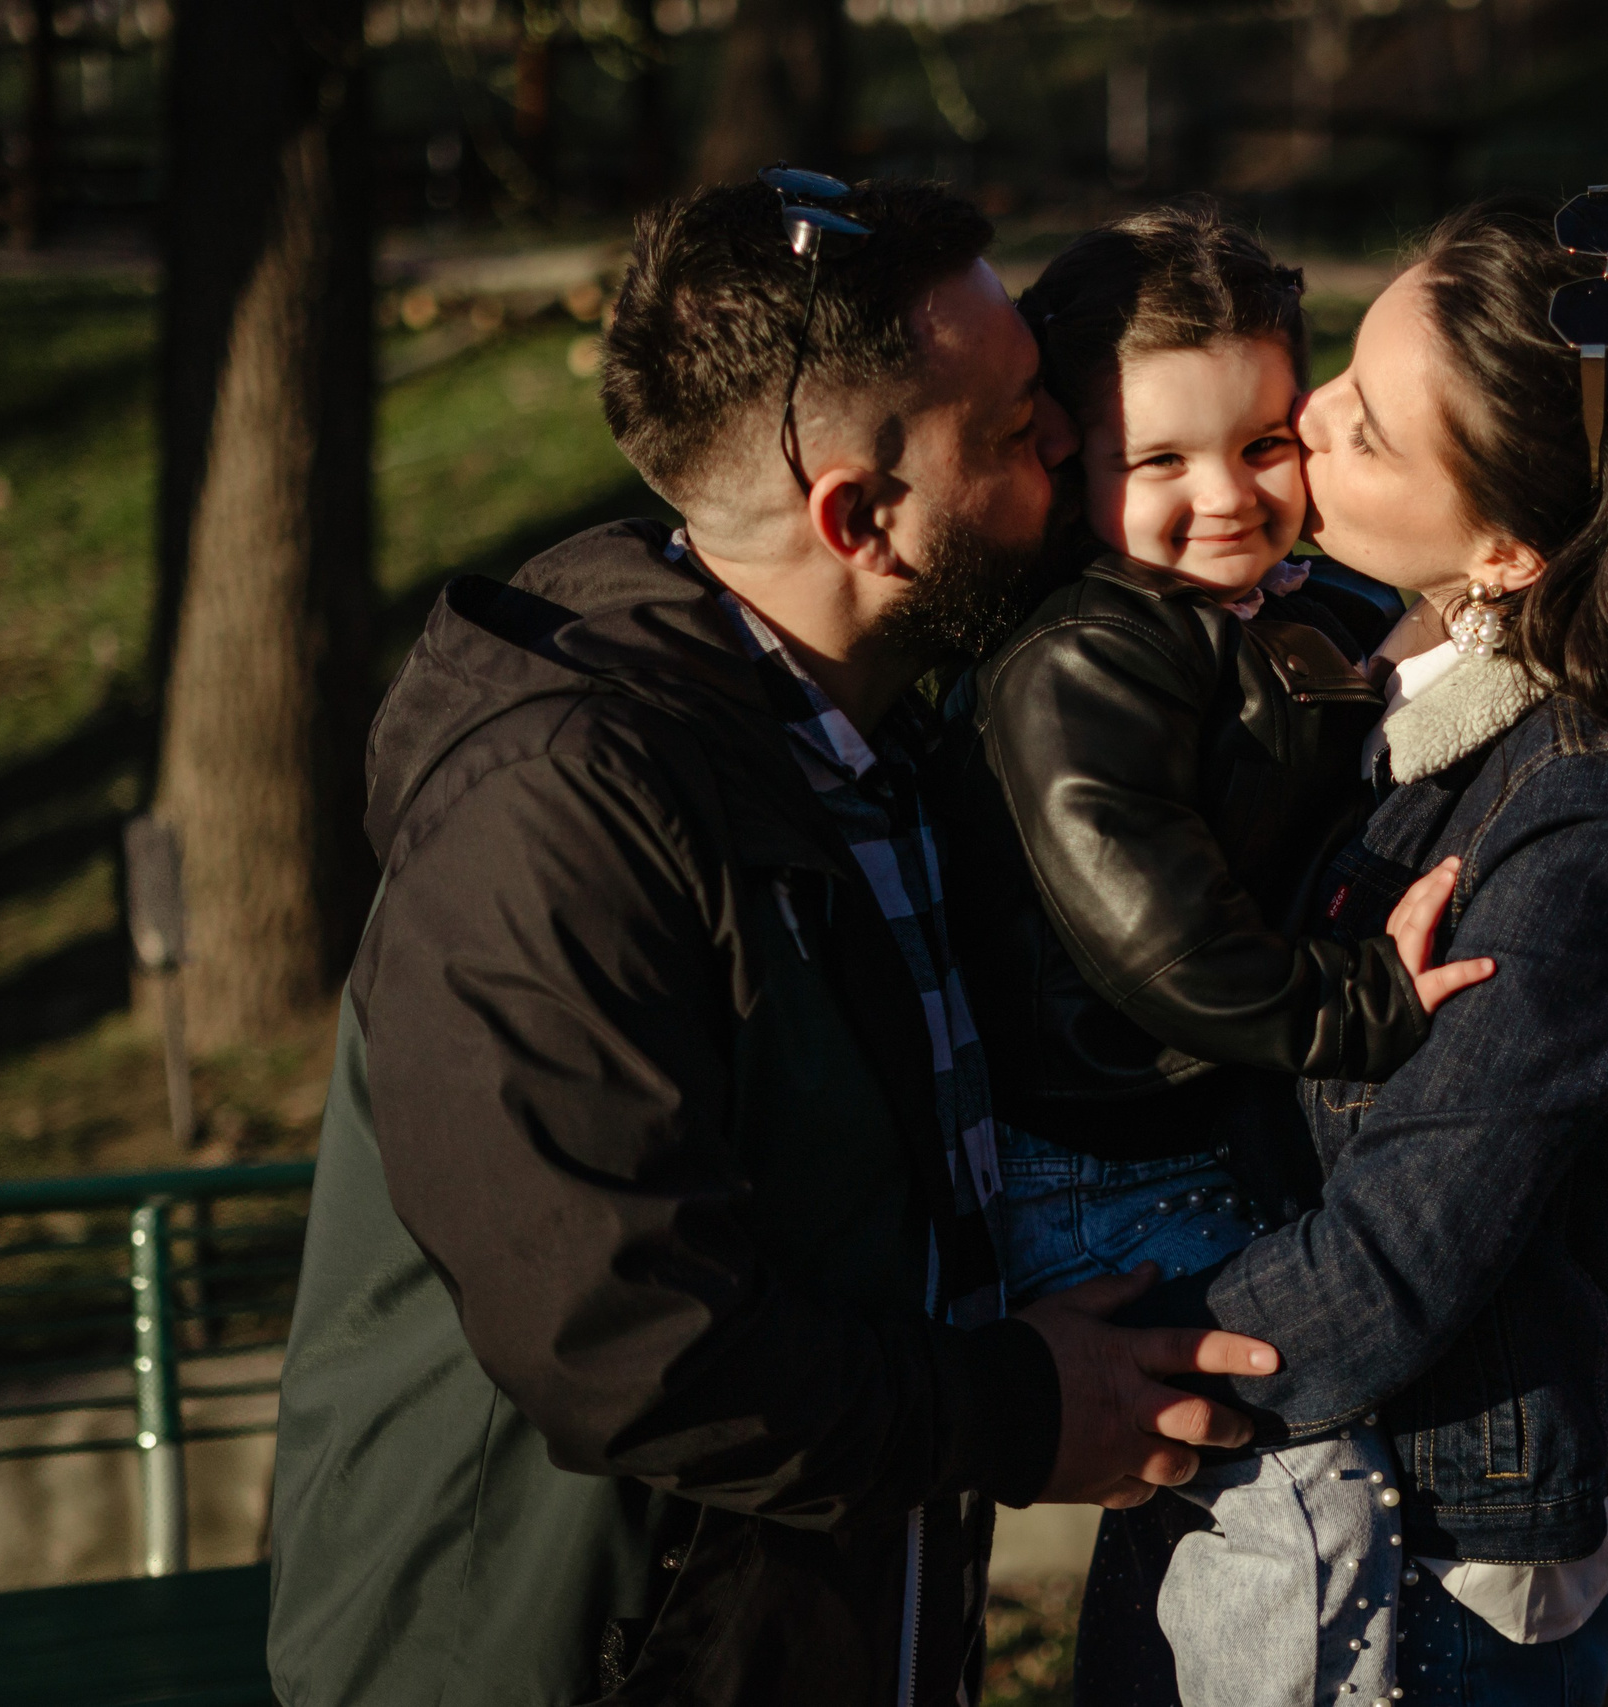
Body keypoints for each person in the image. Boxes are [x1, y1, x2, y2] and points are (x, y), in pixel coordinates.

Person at [265, 176, 1278, 1707]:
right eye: (1014, 430)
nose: (1071, 445)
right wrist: (1011, 1408)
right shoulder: (557, 819)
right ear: (861, 519)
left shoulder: (878, 742)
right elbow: (630, 1339)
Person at [1090, 195, 1608, 1707]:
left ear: (1514, 550)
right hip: (1279, 1500)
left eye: (1371, 435)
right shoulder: (1378, 672)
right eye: (1345, 369)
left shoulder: (1598, 831)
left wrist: (1104, 1384)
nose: (1305, 415)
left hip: (1416, 1580)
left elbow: (1397, 1262)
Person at [936, 204, 1495, 1707]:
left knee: (1255, 1496)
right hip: (1103, 1164)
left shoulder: (1287, 612)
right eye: (1159, 464)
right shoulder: (1086, 657)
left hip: (1208, 1135)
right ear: (1074, 468)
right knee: (1279, 1492)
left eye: (1264, 444)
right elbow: (1158, 943)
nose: (1228, 497)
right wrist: (1363, 1003)